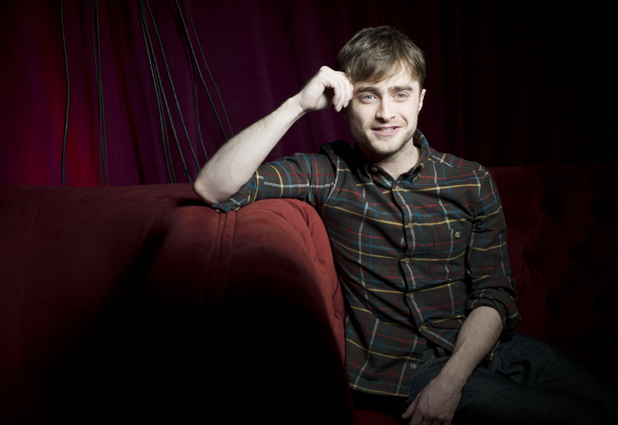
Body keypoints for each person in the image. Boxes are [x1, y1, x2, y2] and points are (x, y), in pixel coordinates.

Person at [193, 26, 617, 425]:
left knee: (609, 403)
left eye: (400, 94)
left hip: (480, 347)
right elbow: (211, 186)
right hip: (399, 370)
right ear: (345, 102)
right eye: (368, 96)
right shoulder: (327, 173)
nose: (385, 113)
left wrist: (452, 380)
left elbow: (494, 294)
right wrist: (297, 105)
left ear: (420, 100)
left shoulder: (470, 180)